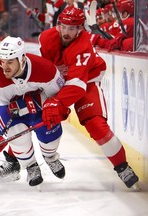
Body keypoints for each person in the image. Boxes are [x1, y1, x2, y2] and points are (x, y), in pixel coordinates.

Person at [38, 6, 139, 189]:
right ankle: (16, 158)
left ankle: (122, 167)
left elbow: (77, 85)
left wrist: (58, 102)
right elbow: (45, 68)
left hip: (88, 80)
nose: (66, 32)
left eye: (72, 28)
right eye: (63, 26)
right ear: (58, 24)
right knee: (35, 112)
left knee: (95, 124)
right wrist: (54, 101)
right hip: (62, 81)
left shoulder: (83, 46)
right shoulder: (46, 38)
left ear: (80, 29)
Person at [0, 36, 69, 186]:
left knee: (50, 138)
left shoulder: (44, 69)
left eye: (10, 62)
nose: (4, 66)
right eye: (2, 61)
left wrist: (40, 103)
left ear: (22, 59)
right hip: (11, 110)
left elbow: (60, 94)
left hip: (41, 110)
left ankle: (50, 157)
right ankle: (30, 166)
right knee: (18, 140)